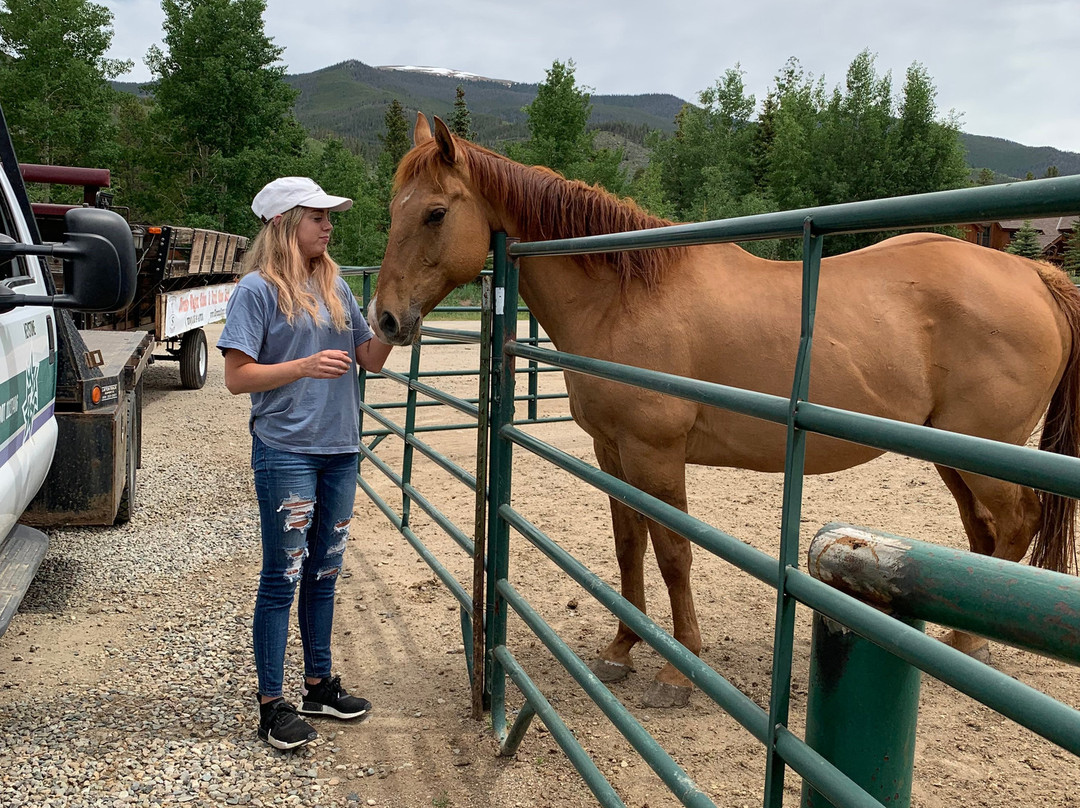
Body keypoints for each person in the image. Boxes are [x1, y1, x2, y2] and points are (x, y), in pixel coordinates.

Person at [218, 176, 393, 750]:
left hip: (340, 450)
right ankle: (271, 705)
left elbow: (371, 358)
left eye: (328, 216)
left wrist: (395, 320)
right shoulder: (256, 290)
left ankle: (318, 683)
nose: (329, 225)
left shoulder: (336, 285)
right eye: (317, 215)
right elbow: (236, 379)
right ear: (285, 223)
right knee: (282, 577)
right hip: (286, 452)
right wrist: (302, 366)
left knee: (324, 573)